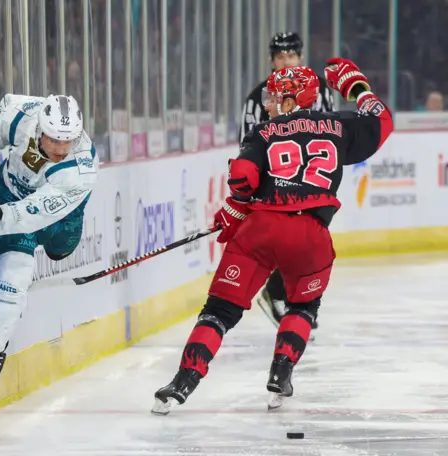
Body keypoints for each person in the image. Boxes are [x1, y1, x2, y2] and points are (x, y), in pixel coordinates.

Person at [152, 59, 393, 414]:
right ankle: (281, 375)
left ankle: (182, 382)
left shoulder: (263, 133)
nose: (267, 104)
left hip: (261, 231)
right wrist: (357, 88)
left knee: (220, 310)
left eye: (274, 97)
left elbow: (244, 178)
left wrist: (234, 211)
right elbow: (383, 121)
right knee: (303, 306)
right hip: (311, 236)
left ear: (292, 100)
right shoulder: (339, 127)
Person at [0, 94, 98, 393]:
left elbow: (35, 213)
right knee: (14, 269)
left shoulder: (79, 170)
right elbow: (3, 112)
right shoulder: (25, 113)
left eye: (67, 141)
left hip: (59, 216)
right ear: (40, 129)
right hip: (12, 192)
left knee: (60, 250)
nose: (60, 148)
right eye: (54, 139)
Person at [240, 32, 335, 330]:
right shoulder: (258, 98)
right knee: (292, 241)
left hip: (314, 180)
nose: (285, 61)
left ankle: (291, 297)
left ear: (300, 58)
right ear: (272, 60)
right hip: (277, 182)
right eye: (280, 56)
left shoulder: (321, 91)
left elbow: (332, 133)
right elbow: (247, 145)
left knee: (309, 241)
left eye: (290, 55)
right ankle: (292, 299)